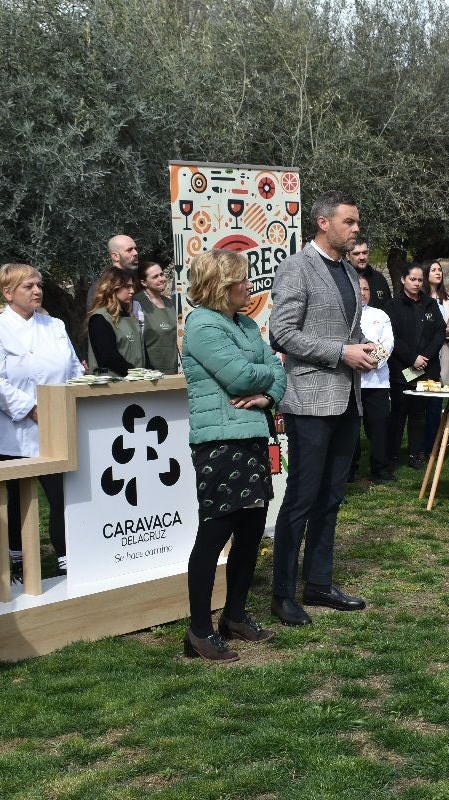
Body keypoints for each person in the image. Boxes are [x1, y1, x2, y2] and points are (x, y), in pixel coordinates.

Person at [268, 190, 375, 627]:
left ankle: (318, 582)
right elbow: (281, 333)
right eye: (348, 222)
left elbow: (346, 329)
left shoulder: (349, 271)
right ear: (322, 222)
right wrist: (341, 352)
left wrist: (364, 350)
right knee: (301, 498)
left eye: (356, 222)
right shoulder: (297, 267)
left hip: (347, 399)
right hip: (311, 399)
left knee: (332, 496)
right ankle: (281, 594)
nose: (355, 229)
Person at [181, 249, 287, 661]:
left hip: (252, 435)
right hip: (220, 442)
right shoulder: (202, 325)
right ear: (223, 286)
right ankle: (199, 630)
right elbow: (242, 374)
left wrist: (267, 395)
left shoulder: (243, 324)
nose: (250, 286)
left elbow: (276, 371)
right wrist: (263, 374)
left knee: (251, 530)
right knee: (214, 534)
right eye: (243, 280)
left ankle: (236, 615)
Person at [0, 264, 83, 580]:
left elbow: (74, 367)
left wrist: (73, 398)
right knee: (17, 500)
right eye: (28, 286)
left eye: (38, 285)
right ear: (8, 293)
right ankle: (18, 561)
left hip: (57, 425)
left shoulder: (55, 325)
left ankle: (67, 558)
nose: (37, 291)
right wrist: (31, 408)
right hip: (15, 430)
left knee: (62, 496)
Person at [386, 263, 446, 470]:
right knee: (399, 413)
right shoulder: (393, 305)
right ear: (403, 279)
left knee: (419, 414)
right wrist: (412, 358)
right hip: (402, 368)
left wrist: (425, 357)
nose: (417, 283)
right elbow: (393, 337)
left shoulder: (430, 304)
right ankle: (392, 455)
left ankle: (415, 455)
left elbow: (440, 332)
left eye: (420, 280)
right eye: (413, 279)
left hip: (426, 368)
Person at [352, 275, 395, 483]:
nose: (363, 293)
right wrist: (359, 363)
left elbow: (387, 343)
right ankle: (349, 469)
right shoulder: (345, 315)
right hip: (352, 380)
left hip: (377, 380)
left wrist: (372, 362)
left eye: (366, 289)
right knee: (350, 428)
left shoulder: (381, 314)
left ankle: (380, 469)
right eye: (359, 288)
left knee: (378, 426)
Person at [86, 267, 145, 376]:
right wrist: (136, 373)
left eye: (132, 286)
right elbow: (108, 357)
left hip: (135, 384)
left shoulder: (130, 317)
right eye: (127, 287)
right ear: (113, 287)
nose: (132, 291)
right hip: (112, 387)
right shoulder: (99, 318)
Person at [423, 260, 449, 450]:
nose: (438, 273)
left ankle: (434, 442)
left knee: (438, 396)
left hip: (444, 349)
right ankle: (423, 443)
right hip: (425, 352)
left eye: (440, 270)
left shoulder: (448, 299)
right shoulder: (421, 297)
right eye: (433, 269)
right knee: (424, 398)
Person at [136, 260, 181, 373]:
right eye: (155, 277)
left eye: (161, 274)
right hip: (151, 373)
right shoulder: (138, 303)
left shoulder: (170, 303)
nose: (161, 279)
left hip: (174, 369)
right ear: (144, 282)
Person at [348, 236, 392, 312]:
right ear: (347, 256)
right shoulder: (341, 278)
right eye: (356, 254)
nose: (362, 257)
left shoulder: (379, 279)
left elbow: (388, 308)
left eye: (365, 253)